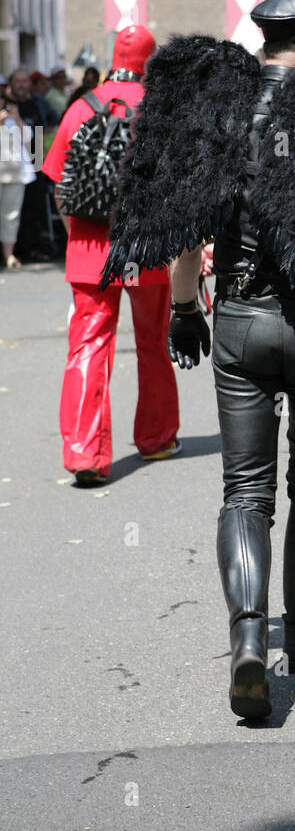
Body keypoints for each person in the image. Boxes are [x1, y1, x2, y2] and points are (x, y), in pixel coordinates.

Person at [101, 0, 295, 721]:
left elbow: (187, 224)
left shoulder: (222, 110)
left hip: (238, 318)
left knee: (244, 491)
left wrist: (184, 309)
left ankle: (248, 641)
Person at [40, 25, 180, 486]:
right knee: (153, 345)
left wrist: (75, 234)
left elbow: (59, 184)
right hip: (147, 247)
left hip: (88, 248)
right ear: (150, 59)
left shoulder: (82, 106)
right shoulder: (160, 109)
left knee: (87, 347)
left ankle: (85, 452)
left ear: (112, 54)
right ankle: (157, 438)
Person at [5, 67, 59, 261]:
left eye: (24, 81)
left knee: (35, 204)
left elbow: (52, 121)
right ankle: (14, 248)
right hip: (11, 159)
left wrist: (43, 140)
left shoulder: (38, 103)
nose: (21, 85)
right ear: (11, 84)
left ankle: (33, 247)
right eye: (17, 81)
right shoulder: (7, 104)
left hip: (34, 152)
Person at [0, 84, 36, 269]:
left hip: (15, 174)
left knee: (11, 215)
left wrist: (17, 118)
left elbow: (31, 140)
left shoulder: (13, 118)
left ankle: (8, 254)